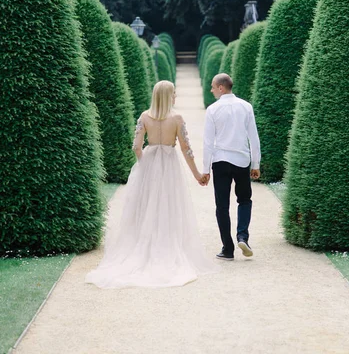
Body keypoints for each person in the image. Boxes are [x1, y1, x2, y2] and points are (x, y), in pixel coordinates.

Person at [86, 80, 216, 288]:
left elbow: (137, 147)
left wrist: (144, 165)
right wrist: (197, 175)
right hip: (170, 165)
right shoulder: (177, 118)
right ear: (168, 96)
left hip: (150, 163)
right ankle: (167, 246)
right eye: (173, 93)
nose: (175, 97)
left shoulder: (145, 117)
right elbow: (186, 149)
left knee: (146, 207)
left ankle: (145, 244)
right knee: (170, 205)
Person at [201, 73, 261, 260]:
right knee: (244, 200)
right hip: (242, 160)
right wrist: (256, 163)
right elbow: (254, 137)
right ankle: (242, 235)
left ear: (221, 88)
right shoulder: (246, 106)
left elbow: (208, 142)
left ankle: (227, 248)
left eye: (212, 86)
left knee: (222, 206)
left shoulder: (212, 109)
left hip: (220, 161)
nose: (211, 90)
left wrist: (205, 169)